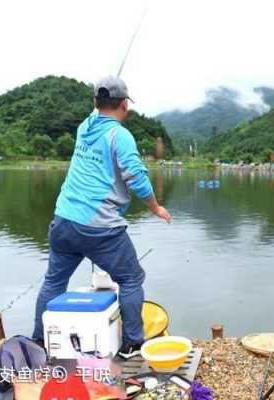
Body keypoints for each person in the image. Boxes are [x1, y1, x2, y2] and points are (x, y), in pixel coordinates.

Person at [32, 76, 171, 359]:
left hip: (63, 221)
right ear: (124, 105)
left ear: (95, 103)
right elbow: (137, 178)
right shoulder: (119, 135)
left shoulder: (85, 127)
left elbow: (97, 111)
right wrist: (156, 208)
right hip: (99, 227)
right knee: (131, 279)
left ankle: (38, 342)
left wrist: (99, 101)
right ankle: (133, 344)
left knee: (54, 283)